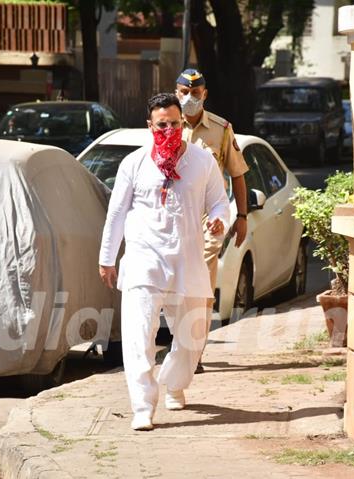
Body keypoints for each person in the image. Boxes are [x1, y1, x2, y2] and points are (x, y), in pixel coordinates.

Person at [98, 92, 230, 431]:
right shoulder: (134, 163)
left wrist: (218, 219)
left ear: (182, 123)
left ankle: (174, 382)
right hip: (144, 261)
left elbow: (219, 202)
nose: (168, 129)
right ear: (149, 126)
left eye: (174, 123)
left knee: (193, 337)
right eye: (161, 124)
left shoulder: (202, 162)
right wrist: (107, 258)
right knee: (139, 335)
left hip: (188, 260)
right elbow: (116, 213)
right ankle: (143, 406)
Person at [175, 68, 250, 373]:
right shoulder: (165, 125)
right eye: (184, 92)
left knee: (202, 288)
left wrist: (242, 216)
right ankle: (178, 343)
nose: (190, 99)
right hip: (174, 219)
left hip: (209, 221)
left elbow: (237, 175)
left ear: (204, 94)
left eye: (195, 93)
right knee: (175, 288)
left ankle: (194, 352)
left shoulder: (221, 129)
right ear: (175, 91)